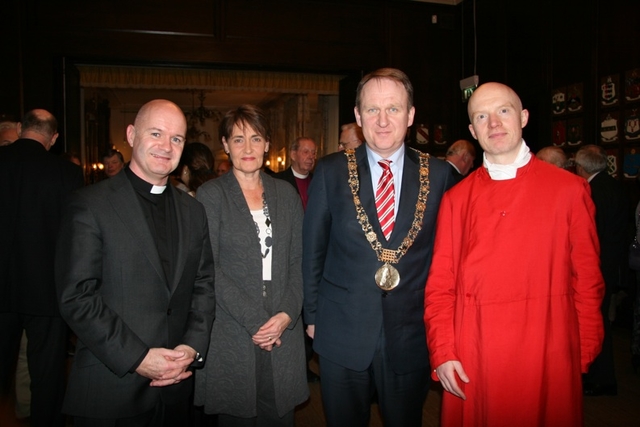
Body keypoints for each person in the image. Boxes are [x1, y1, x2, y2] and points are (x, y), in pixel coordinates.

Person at [424, 82, 605, 426]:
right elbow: (440, 286)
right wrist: (443, 351)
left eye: (503, 111)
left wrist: (580, 352)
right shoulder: (456, 200)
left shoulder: (569, 190)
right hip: (474, 352)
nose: (493, 123)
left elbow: (588, 279)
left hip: (549, 351)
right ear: (472, 130)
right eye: (482, 116)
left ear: (523, 117)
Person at [303, 68, 454, 427]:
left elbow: (446, 259)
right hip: (340, 329)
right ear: (358, 116)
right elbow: (312, 251)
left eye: (394, 109)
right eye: (372, 110)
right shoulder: (329, 171)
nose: (383, 121)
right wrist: (312, 317)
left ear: (411, 115)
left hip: (410, 331)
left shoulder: (441, 175)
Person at [55, 99, 216, 426]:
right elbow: (77, 297)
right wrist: (138, 358)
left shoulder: (193, 211)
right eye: (156, 133)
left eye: (176, 139)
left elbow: (203, 285)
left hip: (177, 387)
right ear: (131, 135)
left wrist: (192, 347)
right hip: (111, 387)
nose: (166, 146)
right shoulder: (90, 205)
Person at [194, 105, 308, 426]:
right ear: (225, 145)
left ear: (267, 145)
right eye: (239, 139)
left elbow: (300, 261)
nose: (248, 148)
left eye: (256, 139)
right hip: (233, 328)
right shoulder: (211, 195)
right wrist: (257, 322)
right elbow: (208, 268)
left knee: (280, 416)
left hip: (283, 329)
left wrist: (286, 314)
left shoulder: (285, 194)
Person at [0, 109, 84, 427]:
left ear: (21, 128)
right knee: (47, 377)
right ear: (54, 138)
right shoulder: (67, 174)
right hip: (46, 290)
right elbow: (74, 237)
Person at [575, 144, 627, 396]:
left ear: (581, 167)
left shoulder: (591, 191)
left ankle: (600, 379)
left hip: (598, 267)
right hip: (613, 264)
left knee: (595, 322)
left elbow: (591, 237)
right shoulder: (616, 186)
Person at [274, 137, 316, 210]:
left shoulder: (318, 181)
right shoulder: (276, 181)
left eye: (313, 153)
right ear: (293, 155)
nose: (311, 157)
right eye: (306, 152)